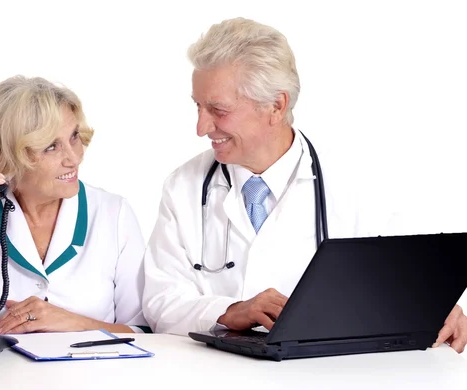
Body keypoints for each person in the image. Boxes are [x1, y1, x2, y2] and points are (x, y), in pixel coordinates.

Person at [141, 17, 466, 353]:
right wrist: (226, 312)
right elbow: (160, 301)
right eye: (198, 105)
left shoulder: (354, 181)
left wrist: (437, 308)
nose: (200, 126)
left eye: (218, 109)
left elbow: (404, 279)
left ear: (276, 106)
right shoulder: (184, 187)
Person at [0, 75, 150, 335]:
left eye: (74, 137)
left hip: (93, 374)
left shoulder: (113, 213)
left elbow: (143, 332)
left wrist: (73, 323)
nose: (73, 158)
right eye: (50, 147)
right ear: (6, 155)